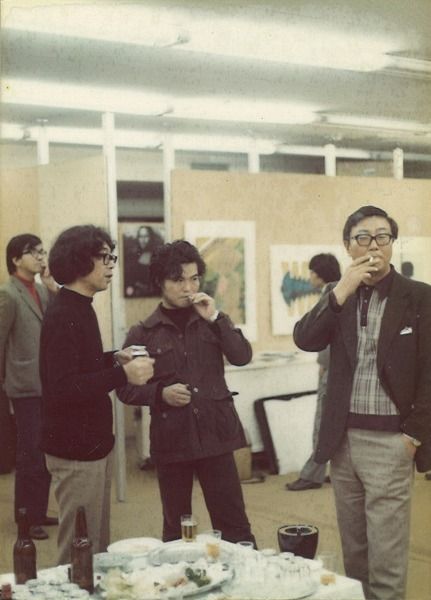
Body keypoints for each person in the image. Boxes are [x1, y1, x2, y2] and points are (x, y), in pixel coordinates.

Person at [293, 206, 431, 600]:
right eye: (363, 237)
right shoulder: (338, 296)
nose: (374, 245)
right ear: (347, 245)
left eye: (382, 236)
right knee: (354, 558)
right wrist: (340, 291)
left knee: (386, 562)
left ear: (392, 243)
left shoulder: (419, 296)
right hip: (343, 441)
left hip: (392, 442)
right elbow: (305, 338)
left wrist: (413, 437)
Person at [117, 240, 256, 545]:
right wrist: (159, 393)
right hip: (172, 440)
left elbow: (242, 356)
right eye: (178, 280)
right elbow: (124, 389)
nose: (188, 287)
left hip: (216, 435)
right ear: (160, 281)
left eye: (194, 278)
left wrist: (216, 318)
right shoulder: (143, 332)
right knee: (177, 531)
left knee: (235, 526)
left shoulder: (211, 320)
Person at [39, 225, 154, 564]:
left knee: (95, 548)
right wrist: (122, 374)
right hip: (75, 450)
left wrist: (112, 358)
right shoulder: (64, 313)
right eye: (104, 257)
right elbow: (62, 387)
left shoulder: (79, 306)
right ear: (78, 261)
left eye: (111, 257)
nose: (111, 265)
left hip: (90, 445)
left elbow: (78, 366)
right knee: (79, 551)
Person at [0, 234, 59, 540]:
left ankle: (38, 512)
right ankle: (26, 518)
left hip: (46, 384)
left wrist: (51, 286)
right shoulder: (8, 294)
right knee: (30, 454)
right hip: (23, 386)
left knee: (45, 450)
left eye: (41, 251)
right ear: (15, 259)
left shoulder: (41, 290)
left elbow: (59, 322)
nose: (40, 257)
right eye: (33, 252)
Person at [286, 253, 341, 491]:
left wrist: (323, 365)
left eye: (311, 272)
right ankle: (331, 471)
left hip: (333, 370)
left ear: (319, 274)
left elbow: (328, 337)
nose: (309, 277)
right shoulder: (344, 290)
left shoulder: (332, 294)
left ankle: (312, 475)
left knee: (322, 423)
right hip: (341, 369)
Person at [124, 225, 164, 297]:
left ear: (151, 238)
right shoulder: (133, 256)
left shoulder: (157, 257)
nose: (143, 240)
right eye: (141, 236)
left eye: (146, 236)